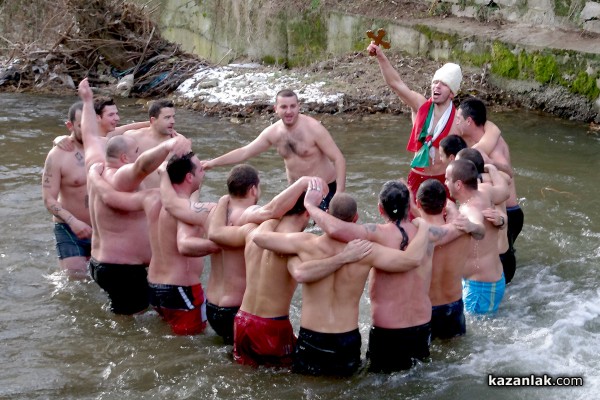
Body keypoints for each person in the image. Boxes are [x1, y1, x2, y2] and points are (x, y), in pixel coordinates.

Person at [252, 189, 432, 377]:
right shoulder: (366, 250)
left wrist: (272, 216)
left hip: (311, 337)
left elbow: (259, 237)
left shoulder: (304, 243)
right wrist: (424, 227)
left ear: (328, 214)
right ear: (355, 218)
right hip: (346, 338)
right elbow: (411, 260)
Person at [303, 180, 479, 372]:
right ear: (409, 207)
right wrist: (464, 219)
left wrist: (310, 205)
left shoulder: (375, 234)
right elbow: (464, 228)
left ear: (380, 208)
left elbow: (335, 229)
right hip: (421, 327)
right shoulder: (428, 234)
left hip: (388, 332)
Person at [79, 77, 191, 315]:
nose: (140, 152)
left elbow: (89, 134)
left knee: (124, 316)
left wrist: (87, 102)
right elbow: (141, 166)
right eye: (136, 150)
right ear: (123, 158)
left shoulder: (95, 161)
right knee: (132, 325)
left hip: (102, 263)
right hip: (122, 268)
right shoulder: (120, 177)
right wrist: (168, 147)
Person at [366, 42, 501, 199]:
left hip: (443, 180)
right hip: (417, 176)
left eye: (443, 85)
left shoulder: (459, 120)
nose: (437, 86)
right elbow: (395, 83)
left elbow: (478, 149)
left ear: (452, 93)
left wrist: (495, 170)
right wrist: (381, 57)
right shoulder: (420, 105)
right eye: (435, 82)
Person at [201, 89, 346, 209]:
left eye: (292, 106)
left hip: (325, 190)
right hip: (296, 191)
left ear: (298, 106)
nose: (289, 111)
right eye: (284, 107)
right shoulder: (273, 133)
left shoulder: (313, 129)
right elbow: (245, 152)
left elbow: (338, 158)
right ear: (275, 109)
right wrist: (212, 163)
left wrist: (339, 194)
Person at [455, 97, 523, 284]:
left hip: (508, 211)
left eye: (459, 118)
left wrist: (488, 168)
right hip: (498, 209)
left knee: (500, 257)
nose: (456, 121)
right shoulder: (484, 137)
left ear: (469, 121)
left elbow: (507, 176)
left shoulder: (493, 147)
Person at [415, 179, 480, 339]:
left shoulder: (416, 237)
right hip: (454, 306)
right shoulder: (465, 230)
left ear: (418, 204)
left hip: (426, 310)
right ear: (444, 205)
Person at [445, 159, 505, 315]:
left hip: (481, 286)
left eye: (447, 179)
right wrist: (493, 170)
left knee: (475, 335)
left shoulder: (469, 209)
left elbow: (479, 229)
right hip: (485, 281)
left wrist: (472, 227)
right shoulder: (485, 190)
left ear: (458, 184)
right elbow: (504, 191)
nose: (445, 183)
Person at [41, 101, 91, 278]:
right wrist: (73, 221)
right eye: (81, 125)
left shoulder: (104, 146)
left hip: (102, 227)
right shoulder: (57, 155)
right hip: (68, 227)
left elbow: (132, 134)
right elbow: (48, 200)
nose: (87, 129)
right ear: (70, 125)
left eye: (90, 124)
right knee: (76, 279)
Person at [122, 99, 180, 188]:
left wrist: (192, 201)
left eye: (173, 117)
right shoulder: (133, 138)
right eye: (167, 117)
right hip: (137, 198)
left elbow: (194, 175)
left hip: (165, 199)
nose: (173, 121)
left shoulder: (179, 142)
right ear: (153, 120)